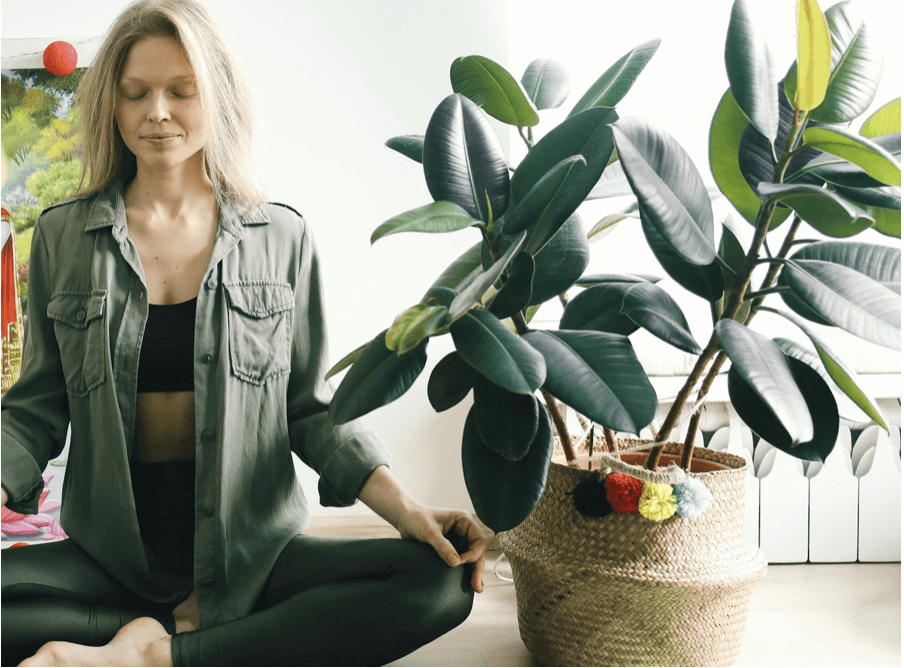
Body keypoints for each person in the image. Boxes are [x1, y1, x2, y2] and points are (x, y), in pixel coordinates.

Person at [0, 0, 488, 665]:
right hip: (110, 557)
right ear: (111, 106)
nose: (157, 112)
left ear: (219, 93)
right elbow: (35, 410)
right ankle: (191, 638)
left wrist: (407, 511)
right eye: (135, 93)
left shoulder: (280, 236)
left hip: (252, 557)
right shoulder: (64, 236)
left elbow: (313, 410)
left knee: (440, 583)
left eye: (181, 90)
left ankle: (141, 655)